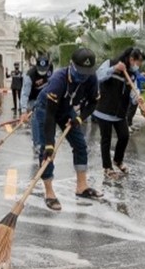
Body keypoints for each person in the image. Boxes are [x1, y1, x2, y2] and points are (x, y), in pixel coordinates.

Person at [34, 48, 103, 211]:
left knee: (80, 145)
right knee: (47, 151)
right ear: (71, 65)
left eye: (86, 72)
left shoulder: (91, 78)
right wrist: (50, 144)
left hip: (67, 110)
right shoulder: (59, 79)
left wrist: (79, 119)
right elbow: (50, 116)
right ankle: (49, 193)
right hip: (46, 108)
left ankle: (81, 187)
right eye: (80, 72)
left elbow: (93, 103)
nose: (83, 76)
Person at [93, 48, 145, 178]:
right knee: (105, 139)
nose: (139, 65)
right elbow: (97, 76)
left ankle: (118, 160)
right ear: (131, 59)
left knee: (124, 136)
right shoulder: (110, 63)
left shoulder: (133, 74)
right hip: (104, 109)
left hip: (120, 113)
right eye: (138, 62)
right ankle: (107, 167)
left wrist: (138, 98)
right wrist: (113, 69)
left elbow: (133, 91)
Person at [20, 56, 53, 152]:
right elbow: (25, 94)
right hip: (33, 100)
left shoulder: (51, 69)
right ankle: (37, 143)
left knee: (48, 119)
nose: (43, 72)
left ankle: (48, 141)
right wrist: (23, 111)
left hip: (47, 98)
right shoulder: (30, 75)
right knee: (36, 118)